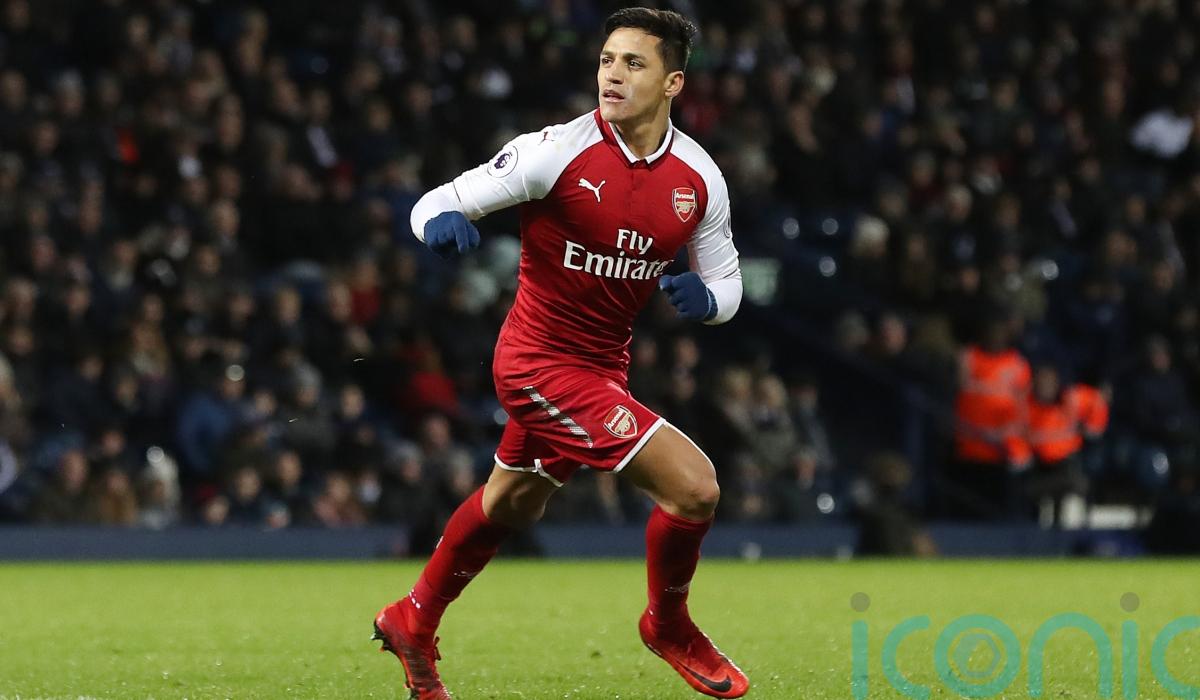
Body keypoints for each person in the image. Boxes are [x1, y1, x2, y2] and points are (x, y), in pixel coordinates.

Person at [370, 8, 748, 699]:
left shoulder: (700, 178)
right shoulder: (554, 151)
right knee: (695, 487)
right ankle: (668, 625)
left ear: (672, 83)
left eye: (634, 63)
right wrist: (441, 224)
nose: (613, 75)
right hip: (535, 365)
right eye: (607, 60)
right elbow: (435, 202)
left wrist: (709, 299)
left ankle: (412, 619)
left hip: (604, 368)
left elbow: (728, 284)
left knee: (513, 503)